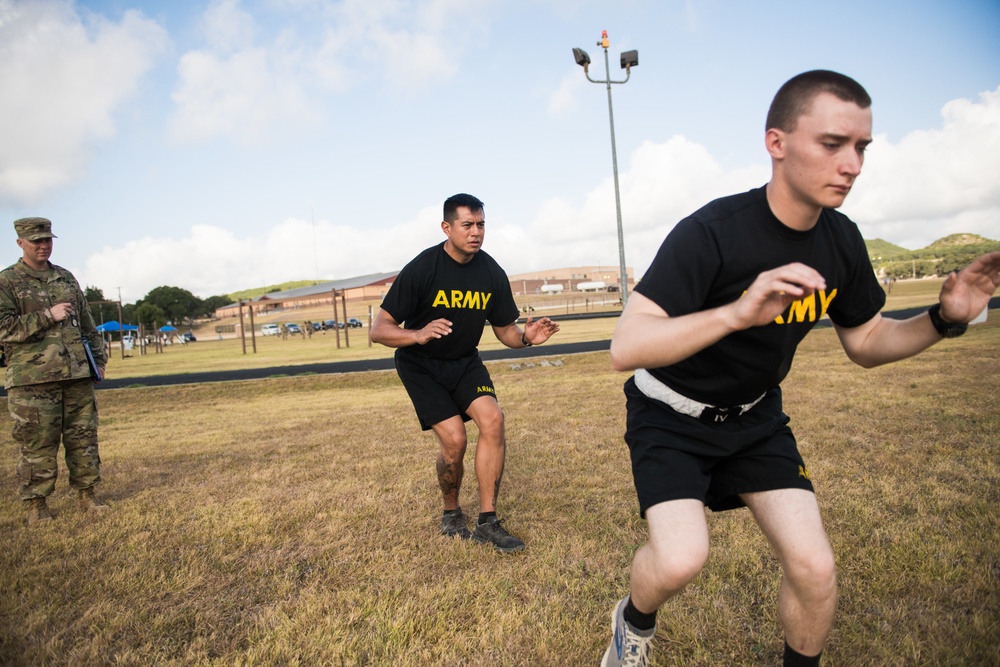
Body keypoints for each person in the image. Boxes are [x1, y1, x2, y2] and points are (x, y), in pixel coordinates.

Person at [602, 70, 1000, 666]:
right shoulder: (711, 232)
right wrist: (737, 313)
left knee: (816, 567)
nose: (853, 165)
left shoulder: (841, 240)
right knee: (682, 559)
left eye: (862, 147)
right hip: (669, 414)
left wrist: (943, 320)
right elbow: (625, 348)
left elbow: (865, 339)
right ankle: (632, 625)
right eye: (834, 144)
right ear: (777, 143)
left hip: (756, 418)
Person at [370, 193, 560, 553]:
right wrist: (417, 334)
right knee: (455, 441)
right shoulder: (423, 268)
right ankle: (451, 512)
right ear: (447, 227)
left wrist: (526, 338)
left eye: (481, 225)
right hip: (420, 365)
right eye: (468, 225)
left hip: (464, 362)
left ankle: (488, 521)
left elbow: (505, 331)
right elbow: (379, 330)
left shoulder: (490, 272)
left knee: (493, 420)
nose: (476, 232)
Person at [0, 217, 111, 526]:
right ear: (20, 242)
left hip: (76, 376)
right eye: (36, 240)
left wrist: (98, 361)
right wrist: (47, 315)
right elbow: (3, 328)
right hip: (33, 382)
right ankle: (37, 506)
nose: (43, 245)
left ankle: (87, 496)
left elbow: (87, 324)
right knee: (37, 443)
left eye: (47, 239)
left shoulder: (65, 278)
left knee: (83, 438)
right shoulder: (7, 281)